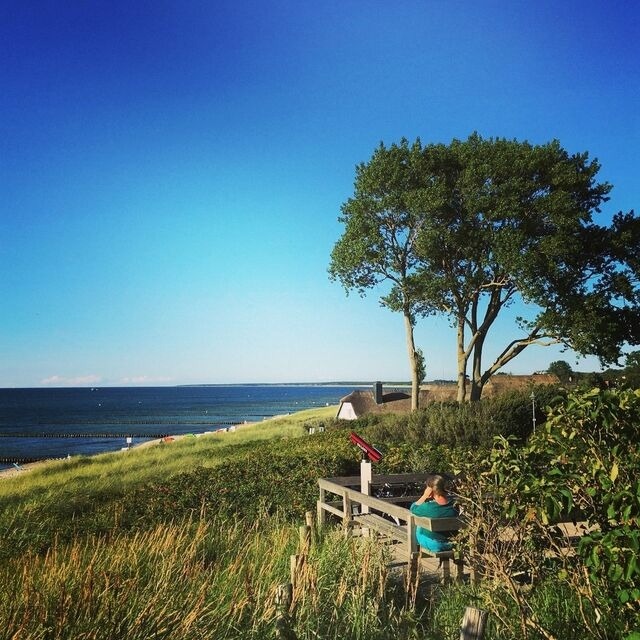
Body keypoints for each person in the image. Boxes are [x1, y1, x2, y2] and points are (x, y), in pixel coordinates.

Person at [410, 474, 458, 552]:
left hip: (434, 544)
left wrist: (424, 496)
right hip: (452, 543)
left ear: (431, 490)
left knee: (419, 522)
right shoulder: (454, 505)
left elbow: (413, 508)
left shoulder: (428, 507)